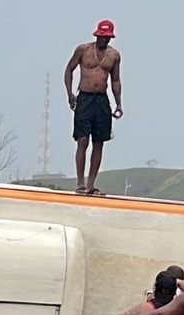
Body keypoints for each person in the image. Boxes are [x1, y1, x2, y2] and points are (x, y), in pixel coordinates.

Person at [64, 19, 124, 195]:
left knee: (99, 142)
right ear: (97, 35)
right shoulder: (84, 50)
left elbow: (115, 80)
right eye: (101, 36)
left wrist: (119, 103)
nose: (104, 39)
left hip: (101, 101)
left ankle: (91, 184)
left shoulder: (114, 56)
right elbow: (69, 70)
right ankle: (80, 183)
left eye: (107, 37)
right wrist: (70, 94)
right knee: (82, 139)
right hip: (85, 98)